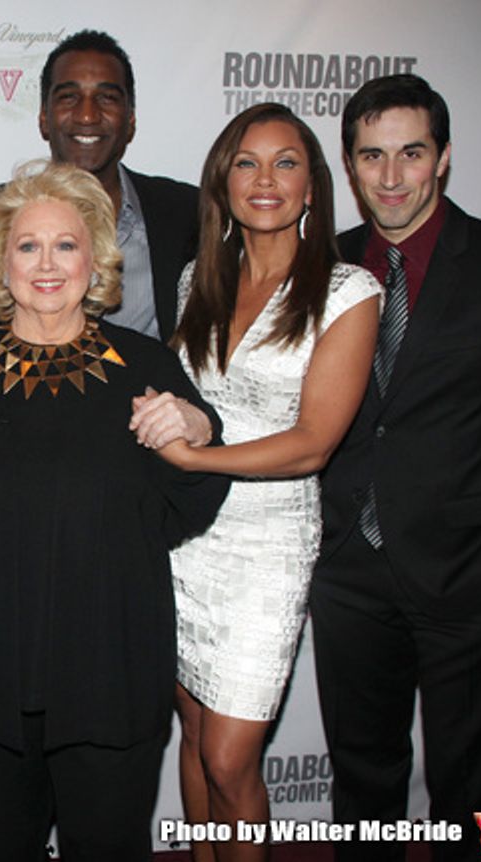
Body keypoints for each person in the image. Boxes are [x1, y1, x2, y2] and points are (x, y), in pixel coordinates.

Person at [0, 160, 230, 862]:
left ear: (97, 259)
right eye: (27, 246)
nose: (45, 265)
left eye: (65, 245)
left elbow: (190, 503)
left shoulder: (148, 367)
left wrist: (200, 430)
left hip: (109, 674)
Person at [309, 74, 481, 861]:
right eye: (372, 156)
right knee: (362, 784)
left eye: (411, 154)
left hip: (472, 575)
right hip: (350, 572)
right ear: (350, 167)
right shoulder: (321, 267)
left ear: (444, 159)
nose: (391, 177)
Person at [131, 103, 380, 862]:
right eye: (246, 163)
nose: (264, 180)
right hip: (186, 542)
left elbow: (312, 444)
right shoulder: (195, 281)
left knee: (233, 758)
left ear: (313, 186)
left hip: (266, 548)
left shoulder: (349, 290)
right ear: (223, 182)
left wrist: (197, 459)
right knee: (198, 736)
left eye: (286, 162)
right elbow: (191, 404)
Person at [0, 28, 199, 342]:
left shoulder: (185, 213)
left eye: (106, 98)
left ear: (131, 119)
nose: (87, 115)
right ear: (43, 118)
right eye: (69, 97)